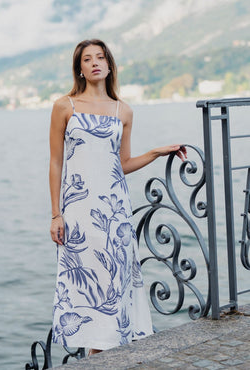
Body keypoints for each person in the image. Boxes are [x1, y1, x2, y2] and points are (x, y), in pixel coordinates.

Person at [49, 39, 187, 355]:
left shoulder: (123, 110)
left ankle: (104, 359)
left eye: (100, 57)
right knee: (87, 284)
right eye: (87, 59)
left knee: (113, 285)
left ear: (109, 65)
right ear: (80, 68)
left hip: (114, 211)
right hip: (79, 214)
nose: (95, 62)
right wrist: (56, 214)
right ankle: (93, 356)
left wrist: (155, 152)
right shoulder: (64, 106)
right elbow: (56, 162)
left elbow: (121, 164)